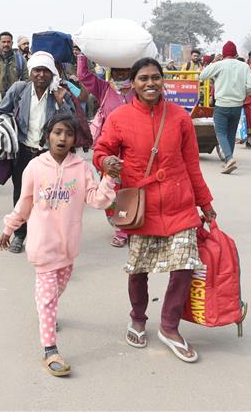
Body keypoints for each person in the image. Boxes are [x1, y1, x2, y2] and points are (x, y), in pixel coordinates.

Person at [93, 57, 216, 363]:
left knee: (185, 265)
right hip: (140, 205)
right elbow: (102, 150)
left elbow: (191, 165)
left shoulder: (179, 118)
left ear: (163, 81)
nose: (150, 83)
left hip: (179, 201)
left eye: (155, 78)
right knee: (139, 269)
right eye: (143, 78)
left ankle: (170, 326)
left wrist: (206, 204)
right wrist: (106, 162)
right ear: (132, 83)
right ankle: (137, 318)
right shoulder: (119, 117)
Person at [0, 112, 116, 377]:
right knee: (49, 296)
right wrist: (10, 227)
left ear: (75, 138)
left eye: (68, 133)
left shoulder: (81, 168)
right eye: (57, 132)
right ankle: (50, 349)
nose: (62, 138)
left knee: (57, 288)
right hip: (42, 246)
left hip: (68, 247)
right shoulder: (35, 167)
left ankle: (45, 310)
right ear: (47, 135)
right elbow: (24, 203)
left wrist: (109, 178)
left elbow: (97, 200)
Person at [0, 51, 76, 253]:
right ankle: (20, 235)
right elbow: (0, 112)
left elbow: (71, 122)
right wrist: (4, 130)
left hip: (50, 155)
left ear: (52, 74)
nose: (41, 75)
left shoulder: (59, 93)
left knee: (51, 196)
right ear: (30, 72)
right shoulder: (19, 90)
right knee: (22, 193)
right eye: (37, 70)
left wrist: (61, 102)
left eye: (45, 71)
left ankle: (49, 237)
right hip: (23, 151)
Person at [77, 53, 135, 248]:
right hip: (109, 149)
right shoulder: (104, 88)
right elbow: (84, 75)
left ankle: (124, 228)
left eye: (125, 70)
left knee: (129, 189)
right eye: (116, 70)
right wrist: (82, 55)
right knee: (110, 187)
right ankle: (117, 221)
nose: (120, 74)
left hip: (135, 148)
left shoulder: (139, 89)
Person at [198, 41, 251, 174]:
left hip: (222, 104)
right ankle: (229, 160)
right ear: (235, 54)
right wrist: (243, 96)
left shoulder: (219, 65)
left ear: (223, 55)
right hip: (237, 105)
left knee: (221, 133)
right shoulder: (244, 66)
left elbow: (202, 75)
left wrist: (214, 62)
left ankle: (229, 159)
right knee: (231, 133)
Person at [0, 31, 28, 105]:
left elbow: (27, 81)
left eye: (8, 42)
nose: (6, 44)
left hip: (15, 102)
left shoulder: (21, 60)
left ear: (12, 43)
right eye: (3, 42)